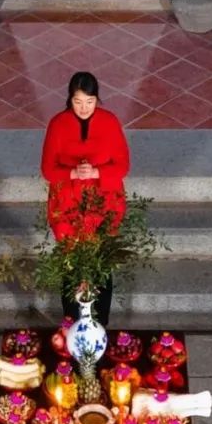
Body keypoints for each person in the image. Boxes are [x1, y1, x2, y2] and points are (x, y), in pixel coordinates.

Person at [40, 71, 131, 319]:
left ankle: (101, 323)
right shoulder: (58, 124)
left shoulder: (109, 122)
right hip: (68, 205)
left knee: (101, 262)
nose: (84, 108)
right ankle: (71, 323)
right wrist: (73, 173)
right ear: (69, 99)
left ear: (97, 99)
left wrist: (96, 171)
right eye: (78, 101)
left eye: (90, 102)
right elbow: (48, 170)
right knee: (71, 262)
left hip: (104, 203)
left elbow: (123, 166)